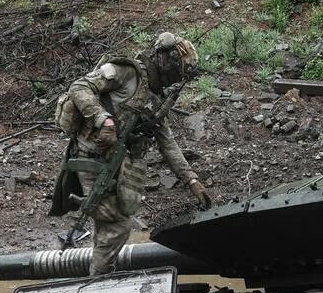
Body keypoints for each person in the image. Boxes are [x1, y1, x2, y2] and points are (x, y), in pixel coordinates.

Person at [51, 32, 213, 274]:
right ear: (164, 59)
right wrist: (102, 119)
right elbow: (80, 87)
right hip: (90, 157)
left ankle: (101, 270)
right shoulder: (126, 73)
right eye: (177, 70)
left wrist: (191, 180)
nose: (176, 78)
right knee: (117, 225)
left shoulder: (156, 98)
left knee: (111, 223)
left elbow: (167, 143)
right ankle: (98, 283)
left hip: (117, 165)